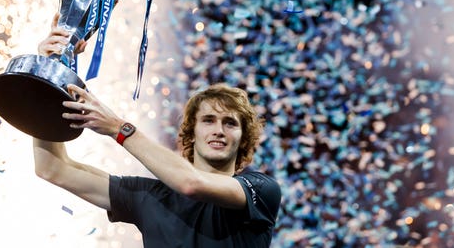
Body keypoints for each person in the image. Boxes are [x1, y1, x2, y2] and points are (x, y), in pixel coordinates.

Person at [33, 20, 281, 247]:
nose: (219, 130)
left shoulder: (260, 190)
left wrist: (119, 128)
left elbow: (191, 183)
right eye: (208, 120)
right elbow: (52, 168)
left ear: (243, 138)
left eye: (230, 123)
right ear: (192, 133)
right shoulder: (150, 197)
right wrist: (46, 75)